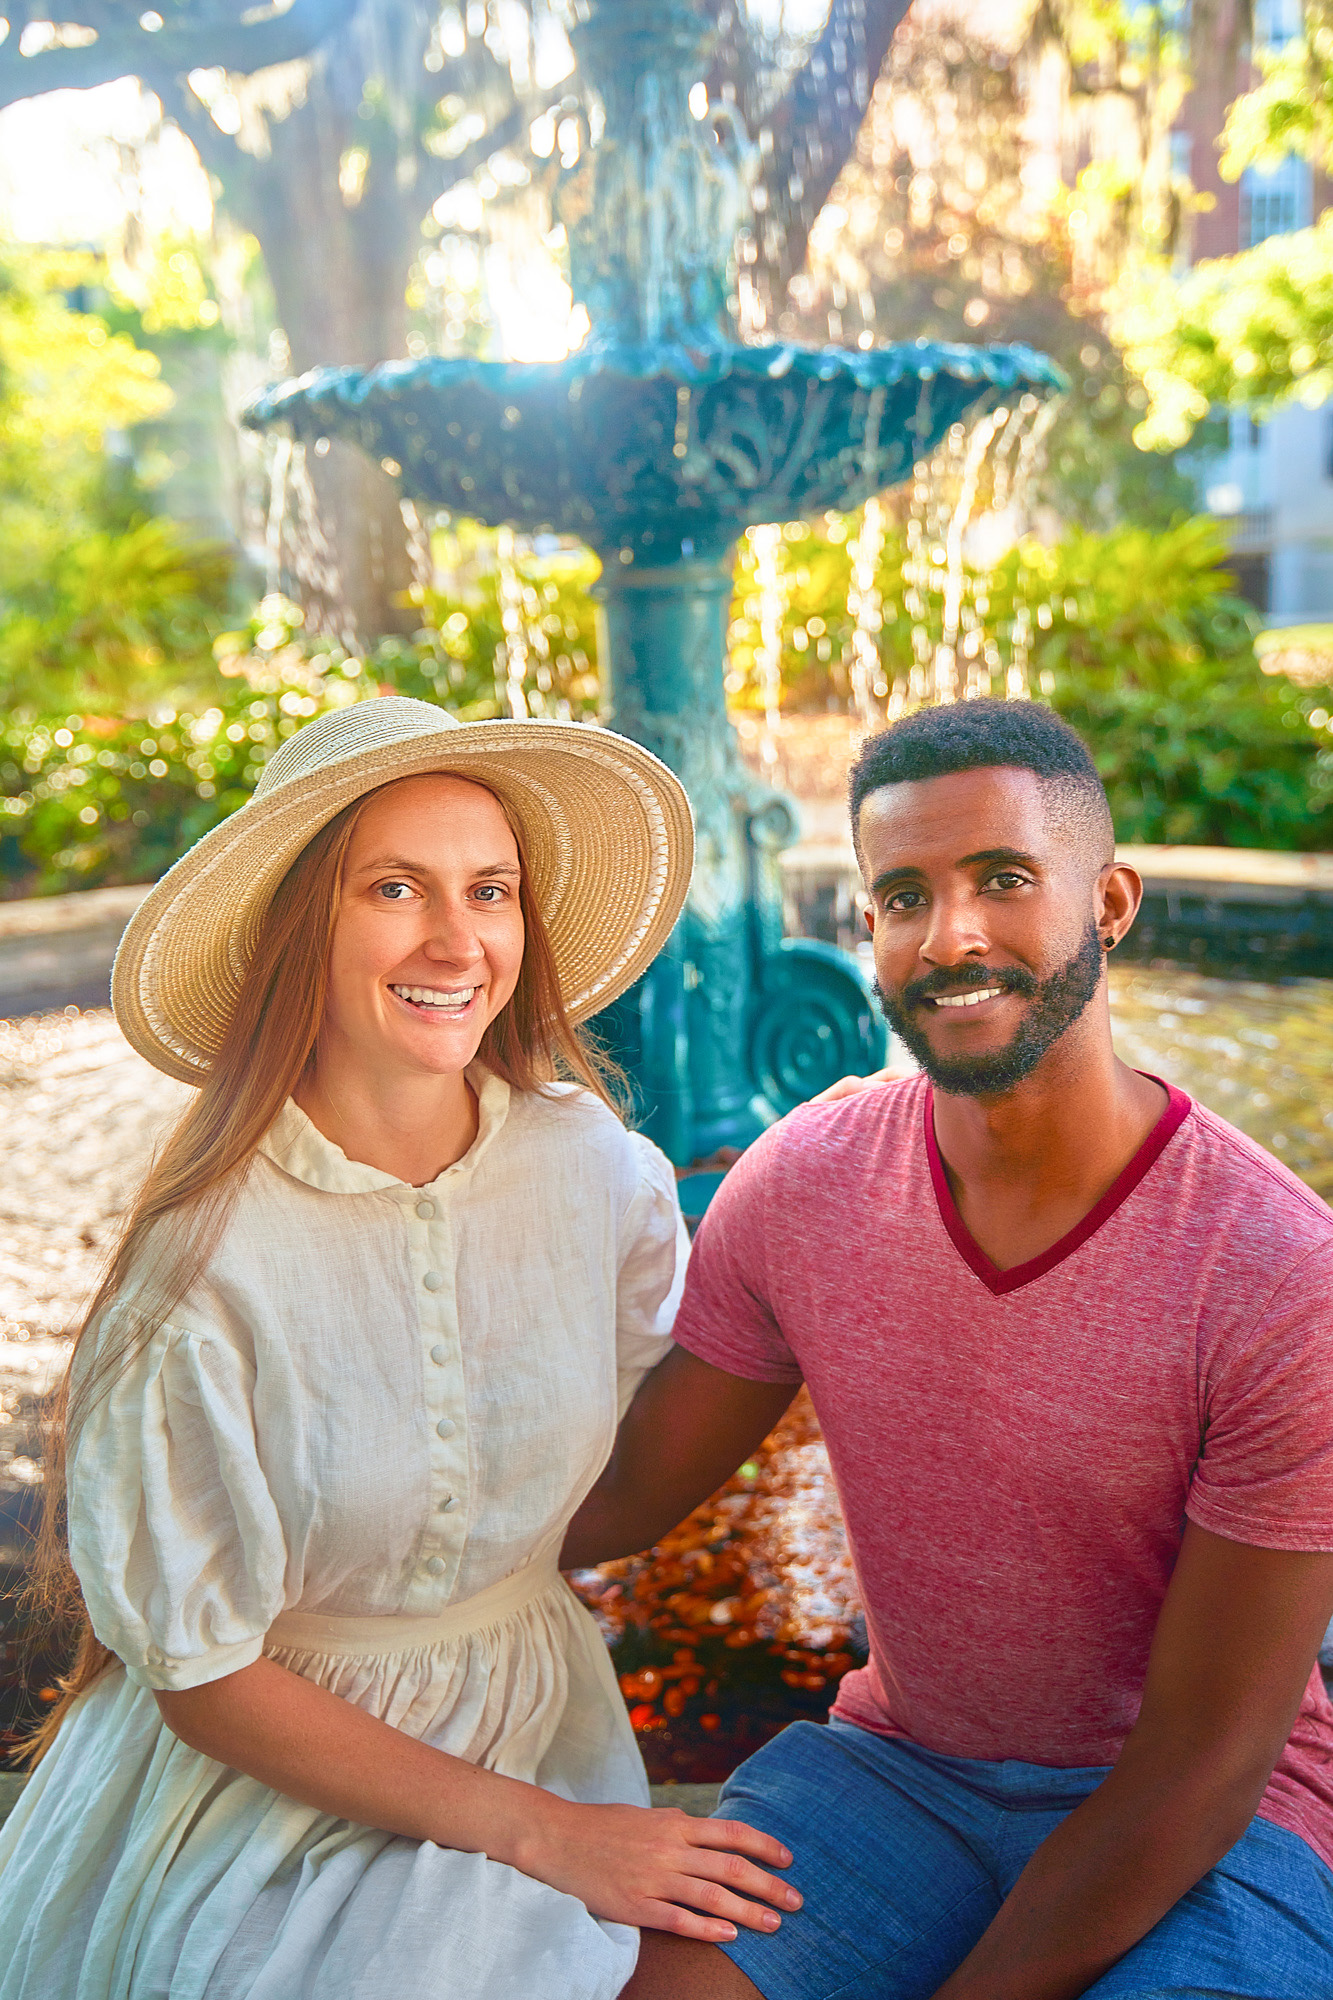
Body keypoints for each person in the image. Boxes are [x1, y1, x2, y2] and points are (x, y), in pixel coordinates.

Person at [0, 697, 795, 2000]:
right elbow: (207, 1679)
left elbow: (590, 1495)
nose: (456, 938)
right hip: (272, 1787)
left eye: (490, 889)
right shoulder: (202, 1267)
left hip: (535, 1725)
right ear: (300, 928)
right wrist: (550, 1836)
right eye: (394, 888)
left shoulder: (598, 1174)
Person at [565, 697, 1333, 2000]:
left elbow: (1197, 1770)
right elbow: (625, 1490)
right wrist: (300, 1568)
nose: (953, 933)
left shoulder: (1277, 1274)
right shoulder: (801, 1186)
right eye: (905, 894)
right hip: (899, 1774)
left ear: (1109, 902)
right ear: (866, 930)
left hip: (1218, 1823)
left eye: (1004, 880)